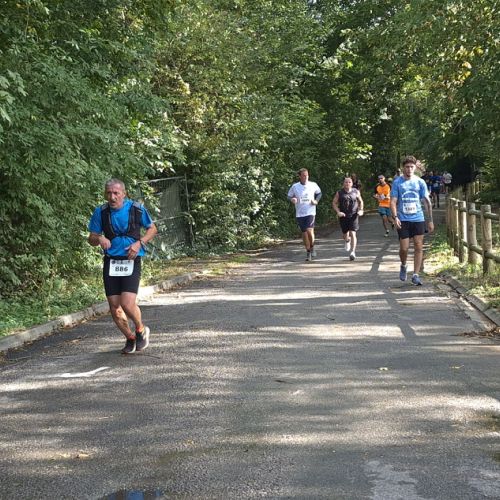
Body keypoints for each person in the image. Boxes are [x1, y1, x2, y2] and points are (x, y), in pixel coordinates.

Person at [88, 179, 158, 354]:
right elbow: (91, 238)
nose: (112, 197)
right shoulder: (101, 212)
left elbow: (152, 229)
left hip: (131, 260)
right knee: (114, 307)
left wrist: (139, 243)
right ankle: (130, 337)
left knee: (127, 304)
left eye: (116, 193)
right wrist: (99, 238)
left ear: (123, 194)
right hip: (111, 261)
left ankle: (141, 329)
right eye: (109, 193)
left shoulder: (136, 209)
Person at [390, 156, 434, 286]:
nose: (409, 169)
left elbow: (427, 201)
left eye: (411, 167)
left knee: (418, 246)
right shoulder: (397, 182)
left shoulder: (420, 182)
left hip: (418, 218)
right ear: (403, 168)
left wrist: (430, 220)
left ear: (415, 168)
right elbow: (393, 201)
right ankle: (403, 265)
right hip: (403, 219)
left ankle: (415, 275)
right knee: (404, 248)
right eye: (407, 167)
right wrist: (395, 217)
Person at [287, 168, 322, 261]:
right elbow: (289, 196)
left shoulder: (313, 185)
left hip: (310, 211)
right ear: (300, 176)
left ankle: (312, 246)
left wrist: (316, 201)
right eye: (304, 175)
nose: (306, 177)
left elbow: (319, 193)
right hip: (300, 213)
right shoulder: (295, 186)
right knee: (304, 232)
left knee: (309, 230)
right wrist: (292, 199)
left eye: (307, 175)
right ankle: (308, 251)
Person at [332, 177, 364, 261]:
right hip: (343, 216)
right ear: (343, 183)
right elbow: (334, 203)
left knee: (353, 233)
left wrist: (361, 210)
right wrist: (338, 212)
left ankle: (353, 252)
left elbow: (361, 201)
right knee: (345, 234)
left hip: (353, 215)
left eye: (349, 182)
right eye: (346, 182)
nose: (347, 183)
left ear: (352, 183)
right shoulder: (339, 192)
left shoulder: (356, 191)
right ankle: (347, 241)